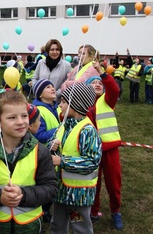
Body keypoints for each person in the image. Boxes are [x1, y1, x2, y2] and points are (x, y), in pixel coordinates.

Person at [0, 91, 57, 233]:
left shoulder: (40, 152)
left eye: (24, 116)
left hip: (30, 226)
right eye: (12, 117)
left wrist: (23, 194)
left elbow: (50, 188)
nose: (21, 122)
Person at [49, 83, 101, 234]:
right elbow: (51, 143)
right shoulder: (63, 125)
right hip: (60, 190)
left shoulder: (88, 131)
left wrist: (62, 162)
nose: (60, 105)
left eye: (64, 102)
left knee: (80, 227)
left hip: (78, 195)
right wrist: (51, 145)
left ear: (76, 105)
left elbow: (92, 161)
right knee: (57, 225)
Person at [85, 61, 123, 230]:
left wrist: (102, 73)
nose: (97, 85)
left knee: (114, 183)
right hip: (91, 151)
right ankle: (93, 212)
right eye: (93, 83)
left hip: (109, 150)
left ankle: (116, 211)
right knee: (94, 183)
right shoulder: (82, 104)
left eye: (100, 83)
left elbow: (114, 89)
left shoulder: (108, 101)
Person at [31, 79, 60, 144]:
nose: (52, 89)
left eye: (52, 86)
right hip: (47, 151)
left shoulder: (59, 107)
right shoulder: (38, 111)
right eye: (48, 87)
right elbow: (39, 135)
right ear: (40, 95)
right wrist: (59, 130)